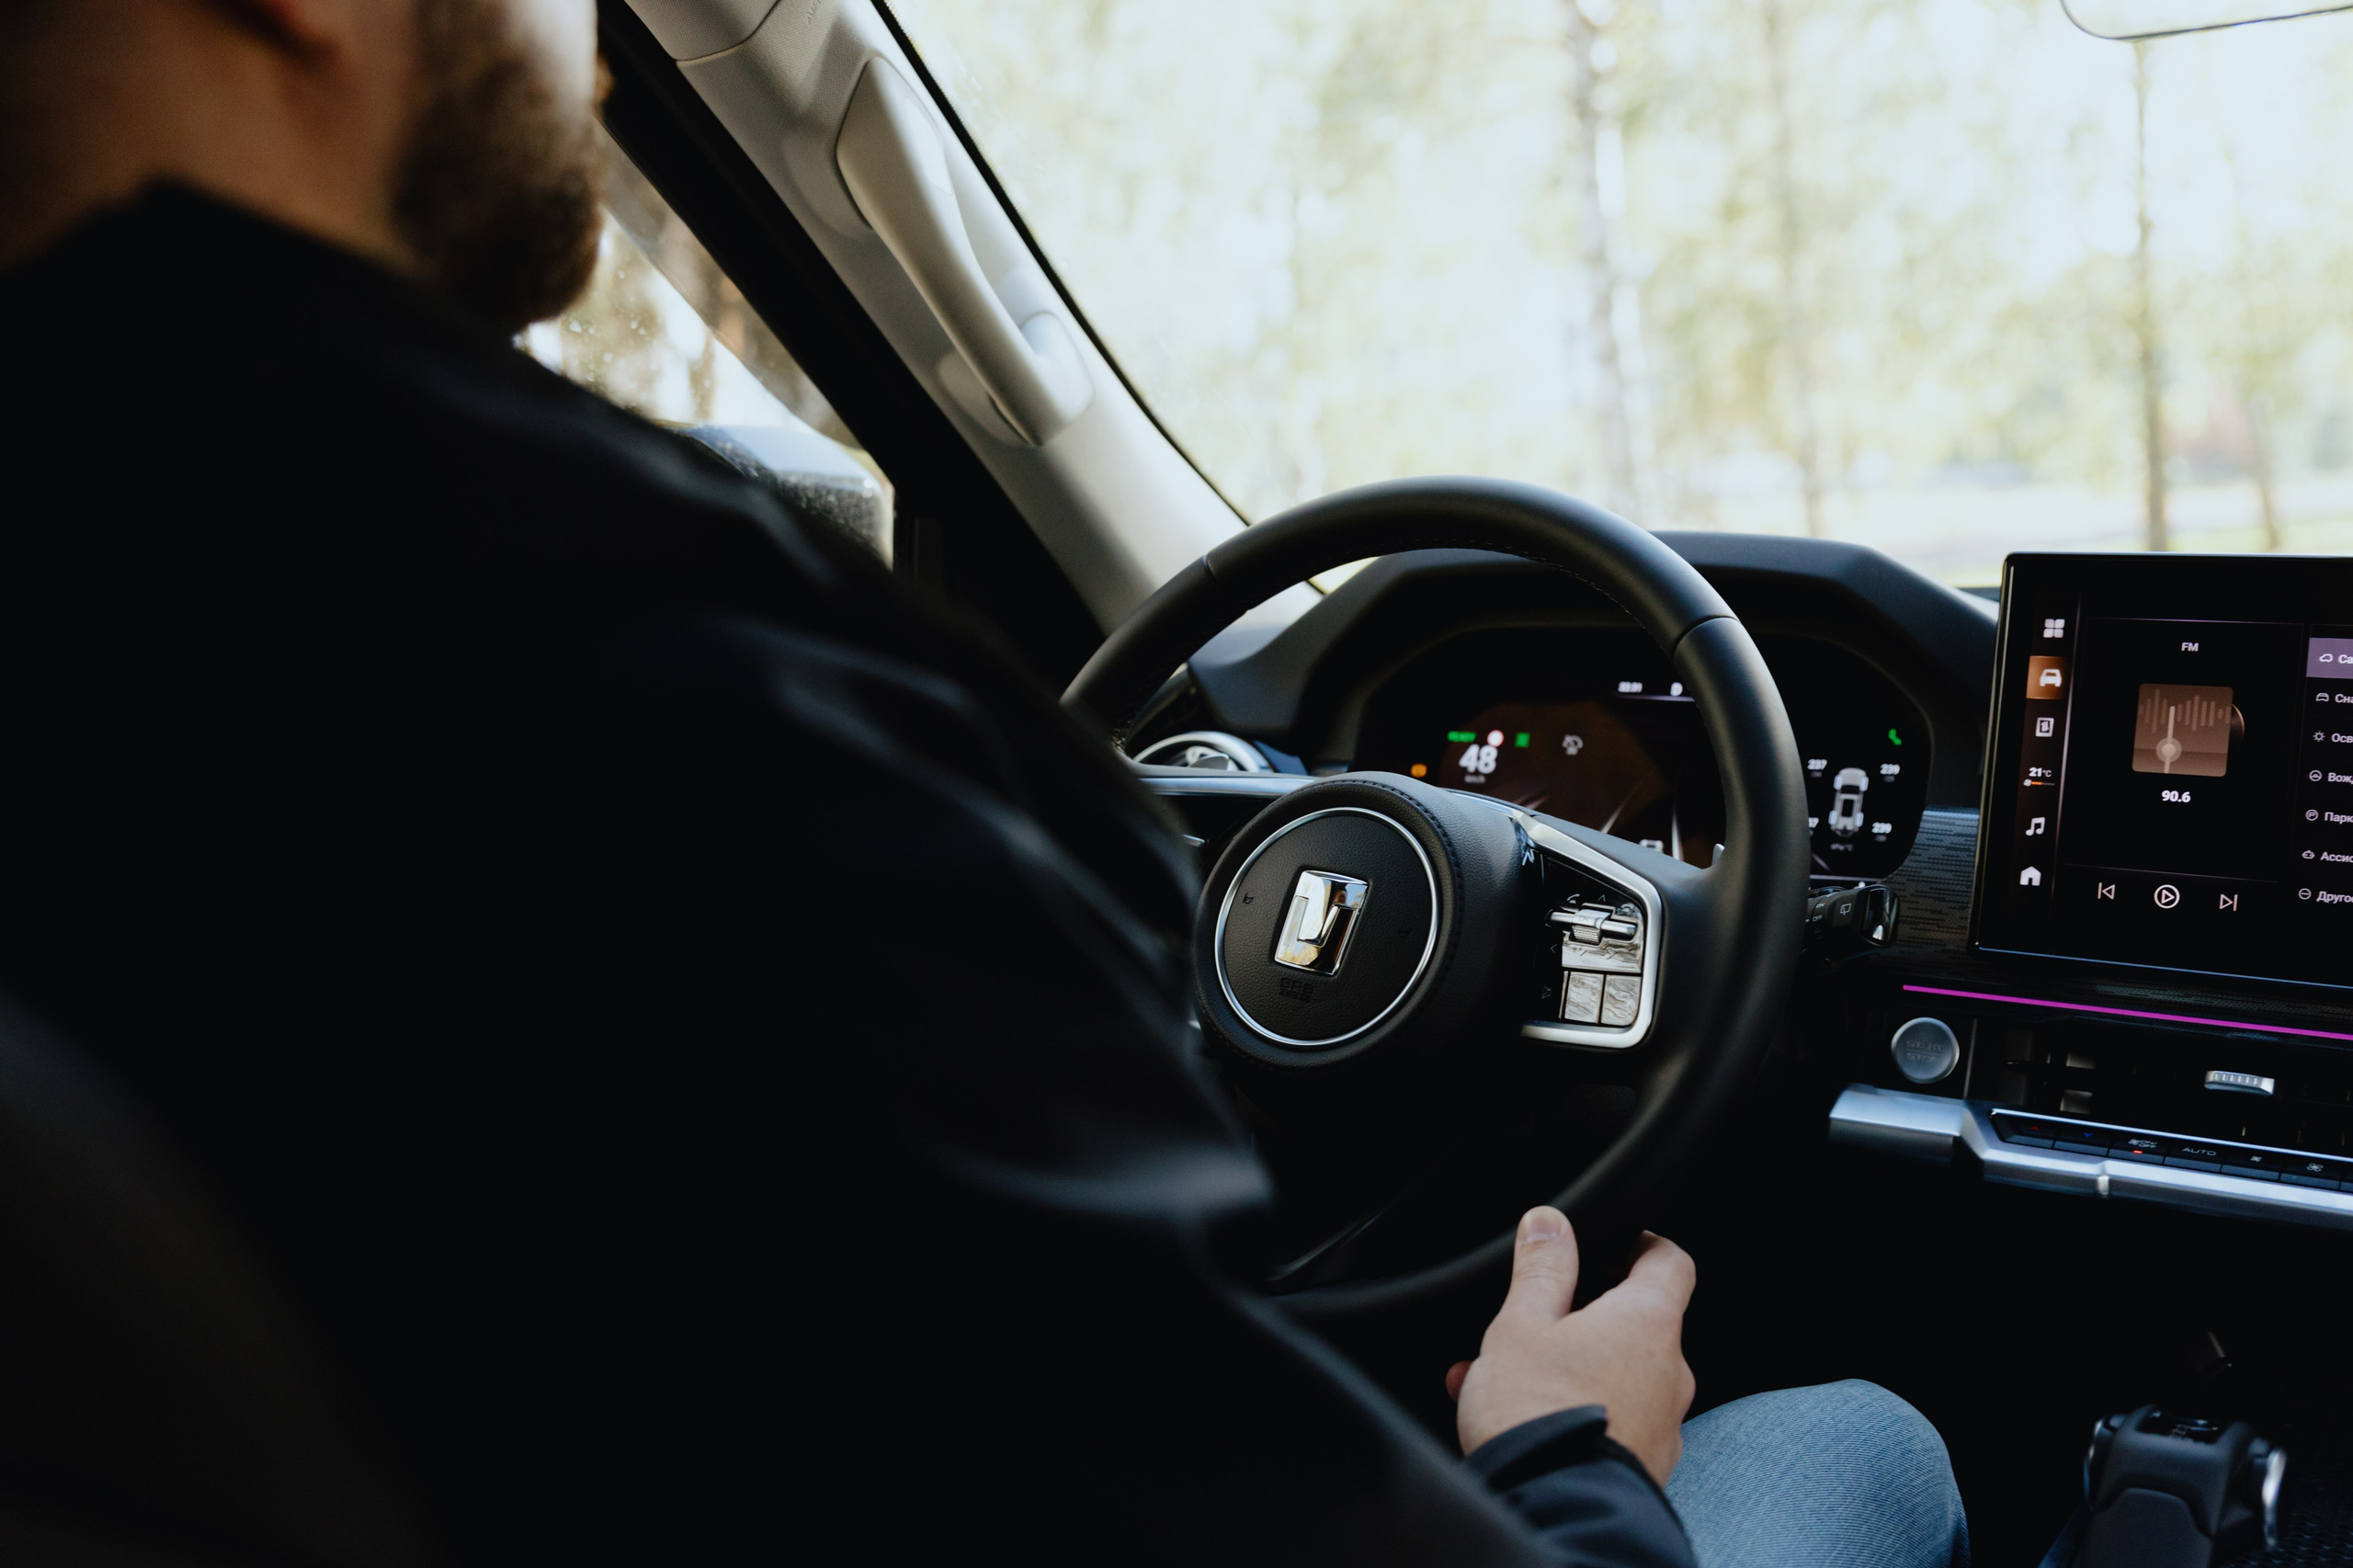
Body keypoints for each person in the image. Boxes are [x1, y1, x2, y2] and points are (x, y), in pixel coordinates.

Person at [0, 2, 1969, 1563]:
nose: (591, 51)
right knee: (1854, 1438)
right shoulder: (648, 716)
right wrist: (1564, 1454)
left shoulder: (160, 627)